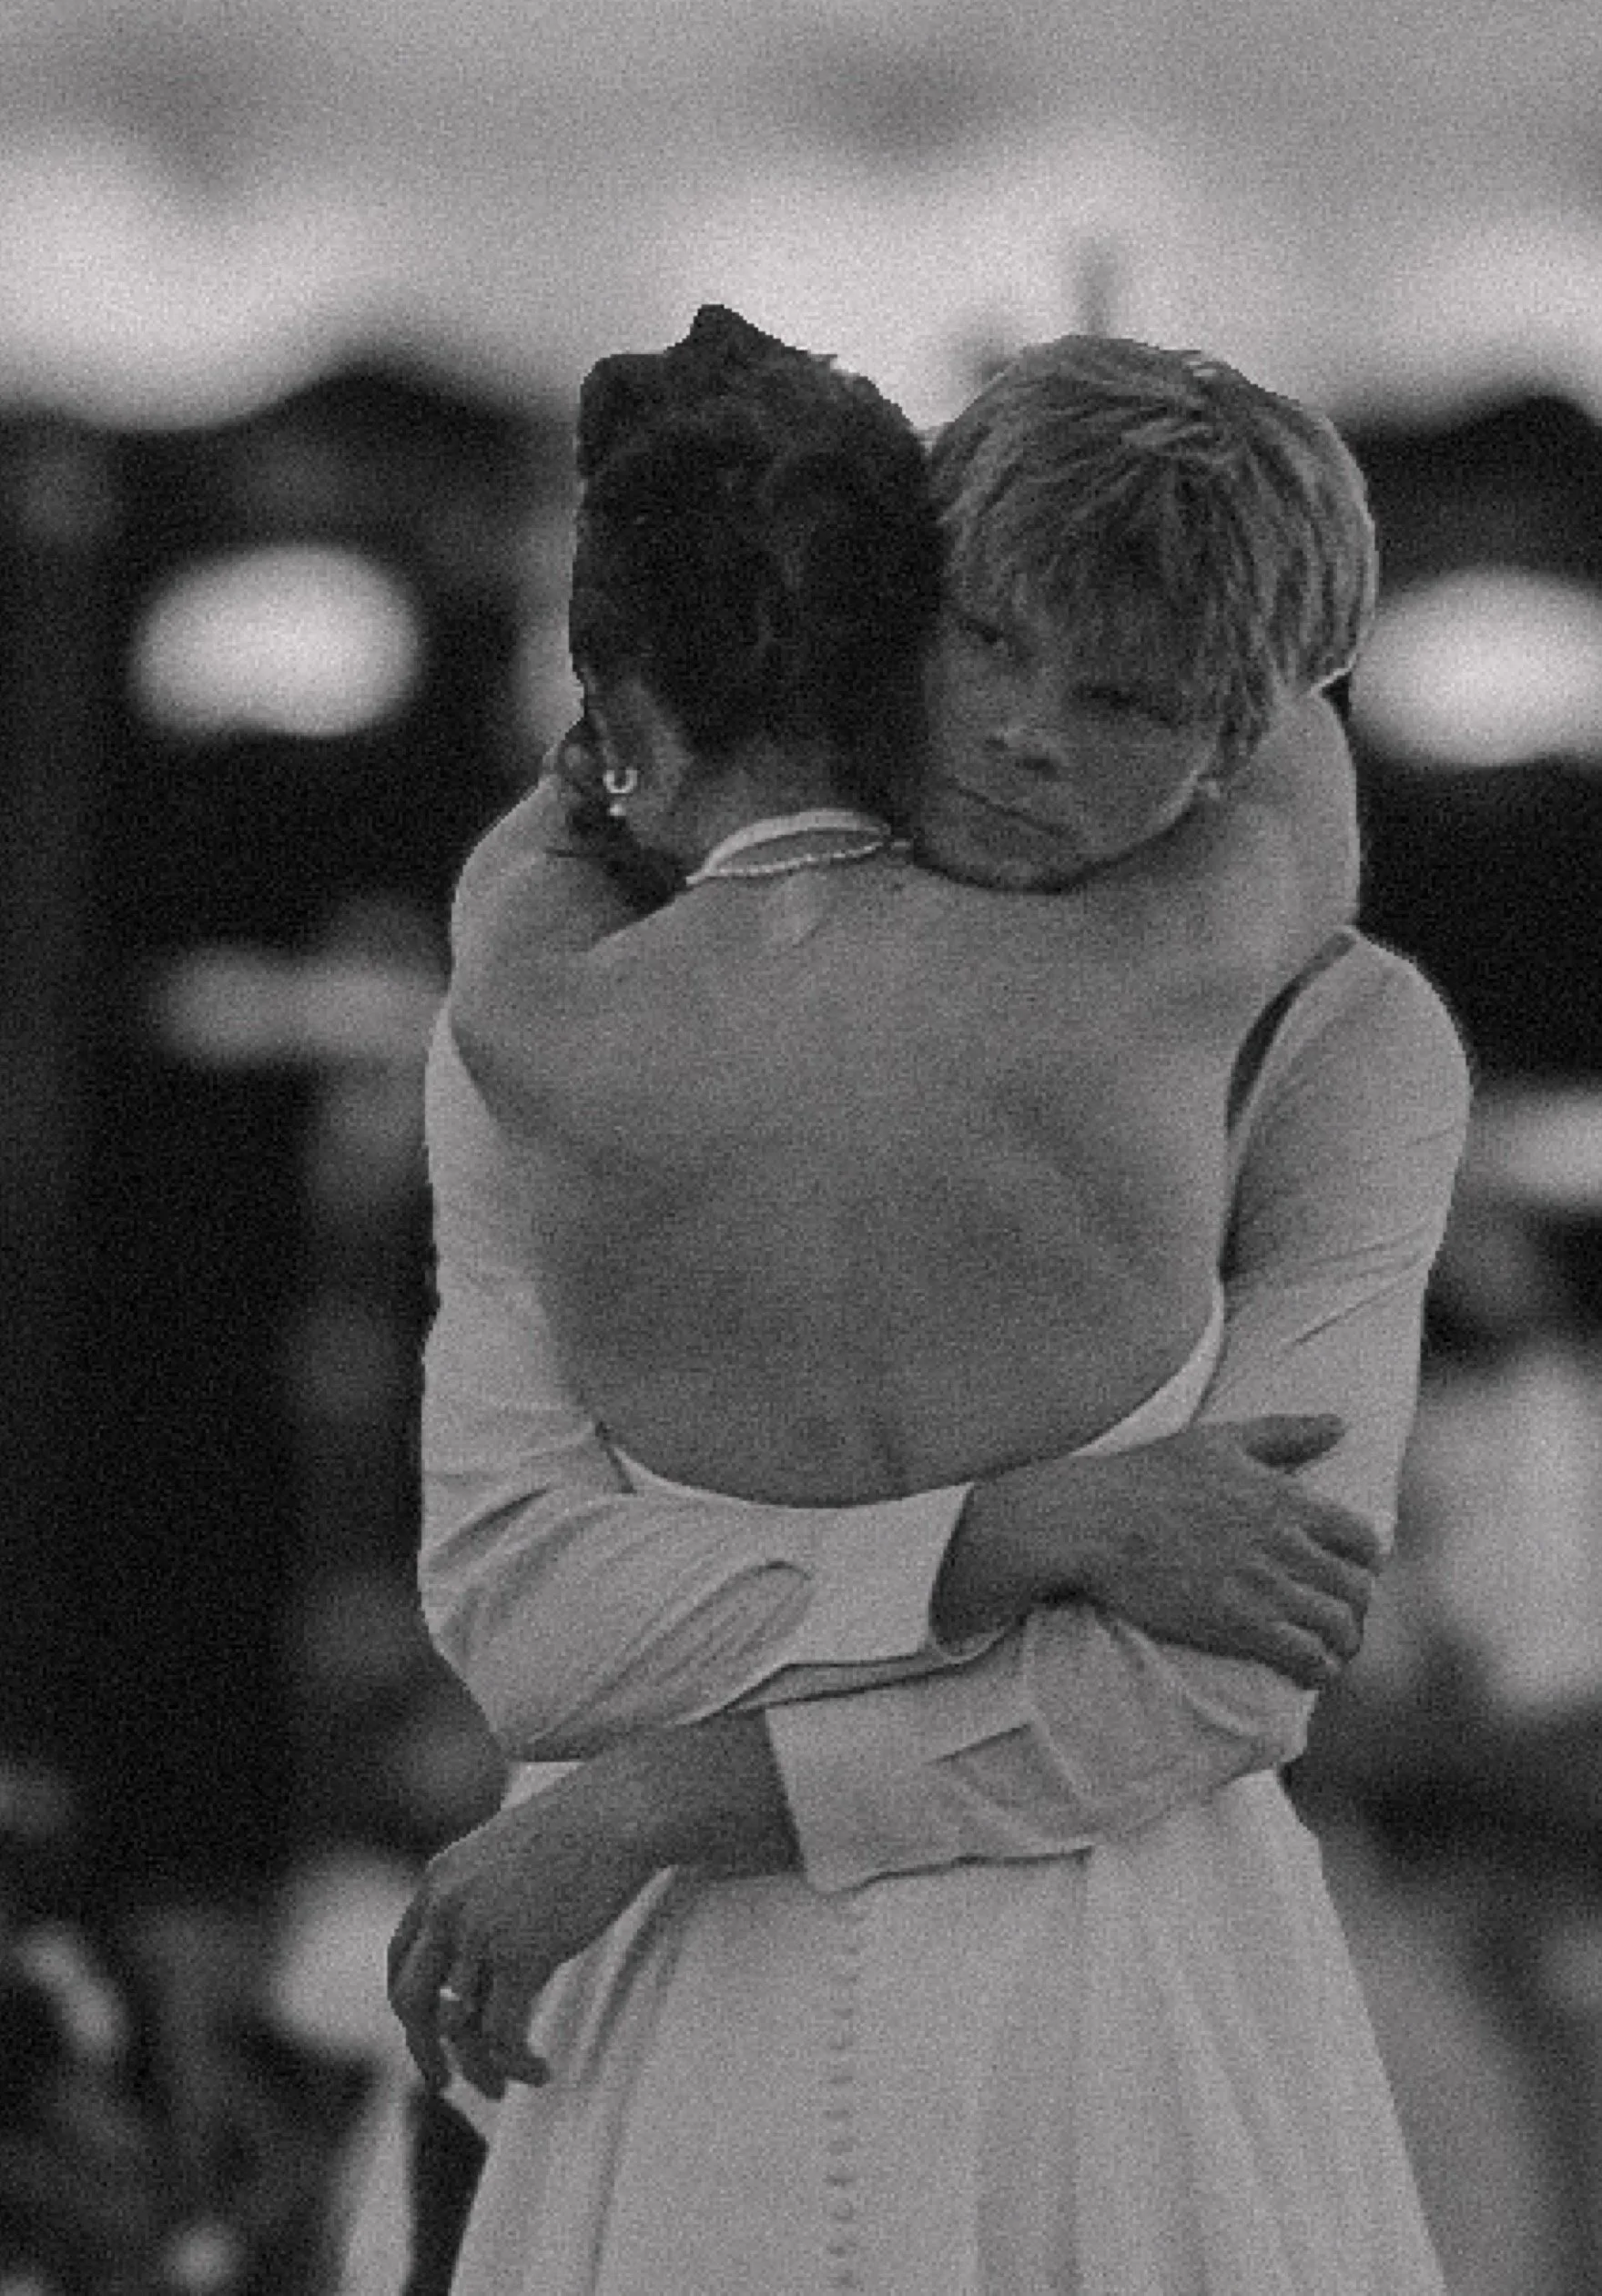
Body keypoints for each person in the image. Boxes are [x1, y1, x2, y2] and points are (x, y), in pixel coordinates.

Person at [384, 316, 1469, 2295]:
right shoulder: (566, 1016)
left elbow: (1228, 1675)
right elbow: (521, 1597)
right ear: (904, 603)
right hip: (669, 2010)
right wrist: (1016, 1535)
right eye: (988, 640)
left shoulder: (1338, 1045)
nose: (1031, 732)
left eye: (1128, 699)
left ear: (1246, 739)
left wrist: (666, 1799)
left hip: (1103, 2011)